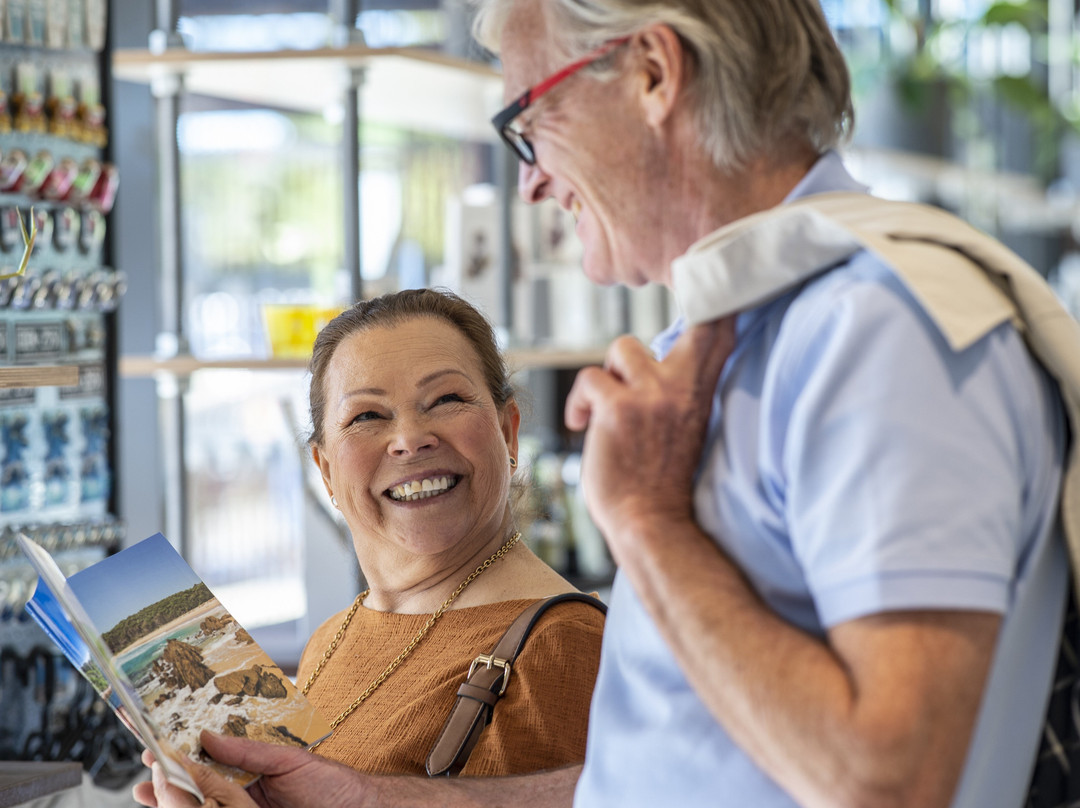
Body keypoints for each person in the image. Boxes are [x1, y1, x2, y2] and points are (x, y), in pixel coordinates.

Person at [134, 1, 1074, 807]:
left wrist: (652, 523)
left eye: (529, 119)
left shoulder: (878, 331)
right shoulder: (736, 337)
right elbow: (666, 775)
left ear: (654, 73)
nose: (530, 177)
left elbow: (894, 782)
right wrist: (371, 796)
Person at [133, 288, 605, 802]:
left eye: (446, 400)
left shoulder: (565, 642)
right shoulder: (331, 639)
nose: (409, 438)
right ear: (326, 470)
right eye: (366, 416)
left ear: (508, 433)